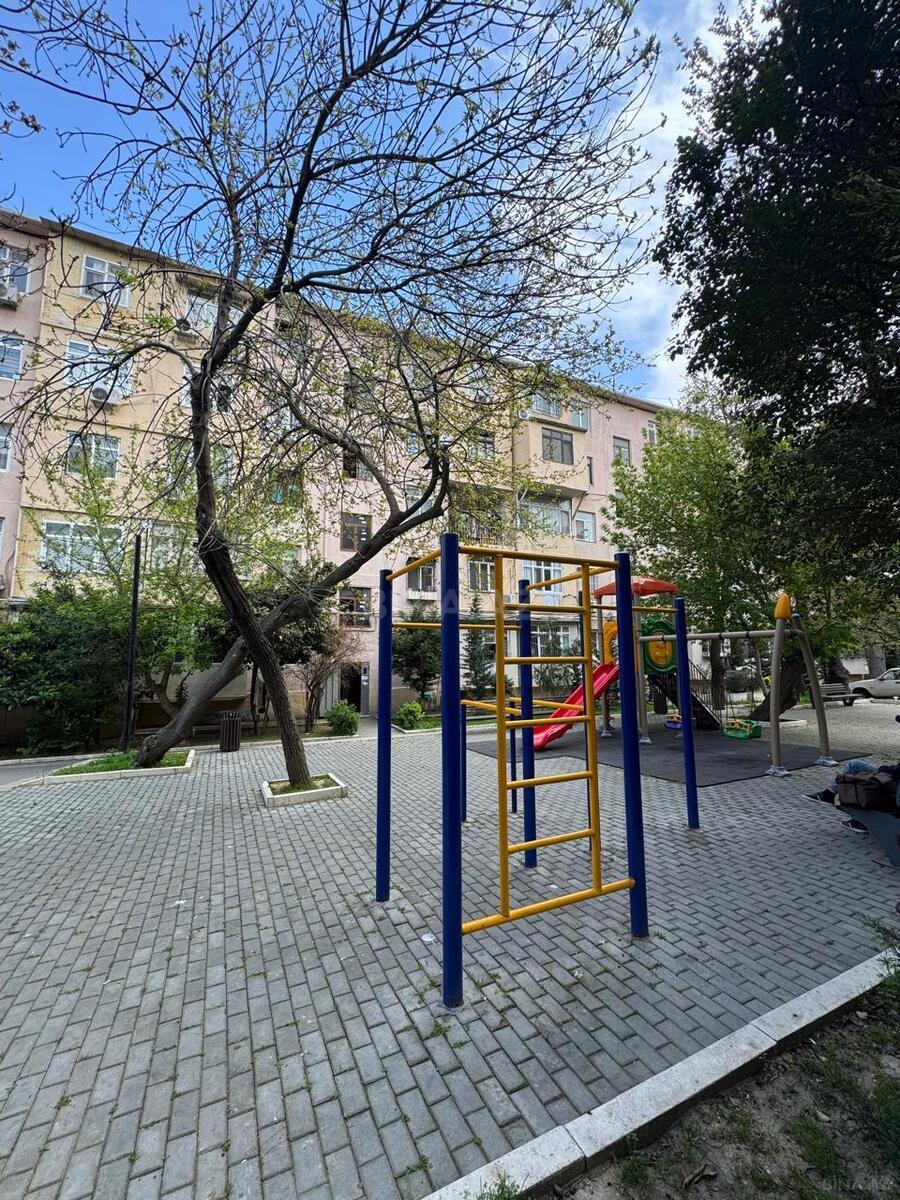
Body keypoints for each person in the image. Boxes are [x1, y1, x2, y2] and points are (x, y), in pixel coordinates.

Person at [806, 756, 900, 833]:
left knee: (854, 766)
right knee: (856, 766)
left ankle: (830, 795)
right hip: (893, 778)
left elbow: (896, 772)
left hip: (892, 782)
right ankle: (831, 795)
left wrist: (884, 768)